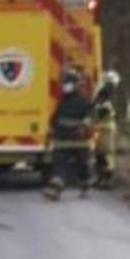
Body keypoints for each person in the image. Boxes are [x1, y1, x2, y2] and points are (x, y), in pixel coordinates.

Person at [45, 69, 94, 201]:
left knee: (61, 166)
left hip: (66, 140)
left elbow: (54, 120)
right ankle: (84, 186)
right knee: (80, 165)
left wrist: (53, 130)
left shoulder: (64, 101)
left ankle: (59, 188)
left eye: (68, 82)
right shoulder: (83, 101)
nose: (66, 85)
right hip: (77, 142)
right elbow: (90, 116)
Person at [92, 71, 120, 188]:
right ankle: (101, 179)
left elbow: (102, 110)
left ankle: (107, 181)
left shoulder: (107, 97)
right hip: (102, 129)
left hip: (106, 129)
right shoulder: (104, 94)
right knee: (100, 154)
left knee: (106, 155)